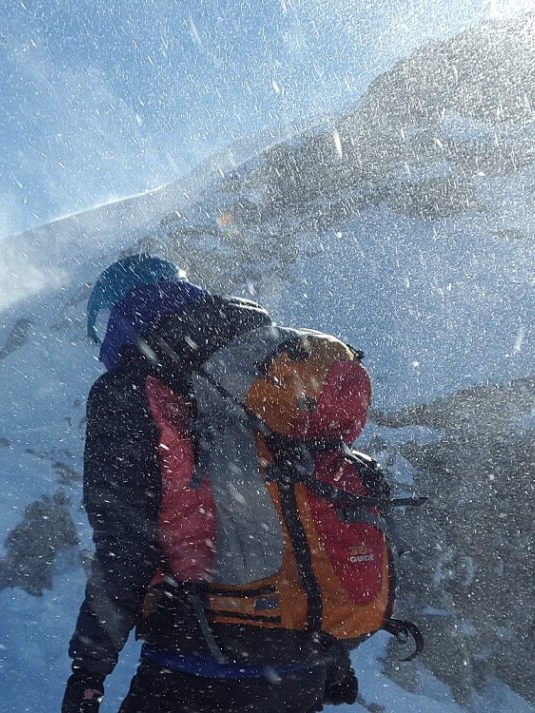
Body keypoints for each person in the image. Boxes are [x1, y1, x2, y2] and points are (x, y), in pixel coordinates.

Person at [62, 256, 358, 713]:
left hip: (200, 658)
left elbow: (126, 545)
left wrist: (87, 671)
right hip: (300, 663)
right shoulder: (262, 365)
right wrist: (332, 655)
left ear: (121, 313)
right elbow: (307, 505)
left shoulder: (130, 388)